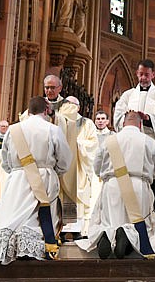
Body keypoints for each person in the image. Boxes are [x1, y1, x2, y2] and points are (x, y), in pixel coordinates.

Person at [0, 96, 72, 264]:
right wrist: (54, 172)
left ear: (29, 110)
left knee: (15, 216)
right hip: (44, 178)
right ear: (46, 110)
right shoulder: (52, 129)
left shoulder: (13, 130)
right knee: (36, 217)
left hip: (17, 180)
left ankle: (11, 245)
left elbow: (5, 161)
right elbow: (64, 159)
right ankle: (32, 247)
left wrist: (17, 172)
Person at [76, 111, 155, 259]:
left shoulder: (109, 141)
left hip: (112, 184)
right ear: (140, 124)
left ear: (123, 124)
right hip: (138, 184)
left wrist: (106, 175)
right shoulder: (148, 141)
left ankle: (107, 235)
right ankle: (126, 235)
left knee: (111, 219)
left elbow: (97, 166)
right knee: (139, 221)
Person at [113, 59, 155, 231]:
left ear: (153, 74)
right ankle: (127, 228)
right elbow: (117, 119)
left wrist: (146, 118)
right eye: (141, 74)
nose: (143, 77)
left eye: (147, 74)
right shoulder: (127, 96)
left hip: (151, 150)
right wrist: (130, 119)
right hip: (130, 152)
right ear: (136, 74)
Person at [58, 96, 100, 237]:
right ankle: (61, 230)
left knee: (77, 197)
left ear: (78, 107)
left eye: (72, 104)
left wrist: (77, 143)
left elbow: (93, 144)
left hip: (79, 167)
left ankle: (76, 230)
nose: (69, 107)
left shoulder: (87, 123)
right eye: (67, 104)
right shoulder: (59, 121)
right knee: (63, 197)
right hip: (62, 167)